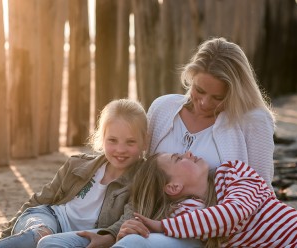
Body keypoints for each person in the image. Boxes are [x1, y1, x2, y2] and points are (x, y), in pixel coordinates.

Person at [113, 37, 276, 247]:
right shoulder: (163, 108)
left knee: (134, 244)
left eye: (218, 97)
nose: (205, 103)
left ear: (235, 91)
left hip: (211, 235)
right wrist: (125, 225)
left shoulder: (253, 121)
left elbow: (262, 193)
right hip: (153, 220)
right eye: (199, 90)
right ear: (190, 78)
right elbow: (146, 178)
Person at [0, 98, 149, 248]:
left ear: (144, 142)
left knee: (49, 243)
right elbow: (41, 199)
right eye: (112, 140)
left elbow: (130, 217)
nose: (120, 149)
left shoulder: (143, 179)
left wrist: (110, 235)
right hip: (47, 218)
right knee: (41, 234)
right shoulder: (77, 164)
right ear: (102, 138)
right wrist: (6, 235)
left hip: (81, 237)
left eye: (130, 142)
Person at [118, 152, 297, 248]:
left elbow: (235, 211)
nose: (188, 153)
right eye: (178, 159)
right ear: (173, 187)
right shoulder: (184, 213)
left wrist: (161, 226)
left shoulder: (234, 172)